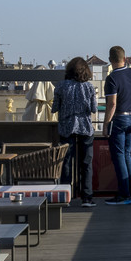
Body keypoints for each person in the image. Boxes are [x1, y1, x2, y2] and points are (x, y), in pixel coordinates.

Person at [101, 46, 131, 206]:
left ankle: (123, 194)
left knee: (119, 156)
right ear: (125, 58)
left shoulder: (111, 78)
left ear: (110, 60)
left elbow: (112, 104)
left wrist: (106, 124)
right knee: (127, 154)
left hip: (120, 120)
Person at [54, 56, 97, 208]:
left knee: (65, 163)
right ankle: (87, 197)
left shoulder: (61, 86)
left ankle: (66, 196)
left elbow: (55, 107)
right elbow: (93, 109)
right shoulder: (89, 87)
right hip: (85, 127)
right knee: (86, 163)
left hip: (66, 127)